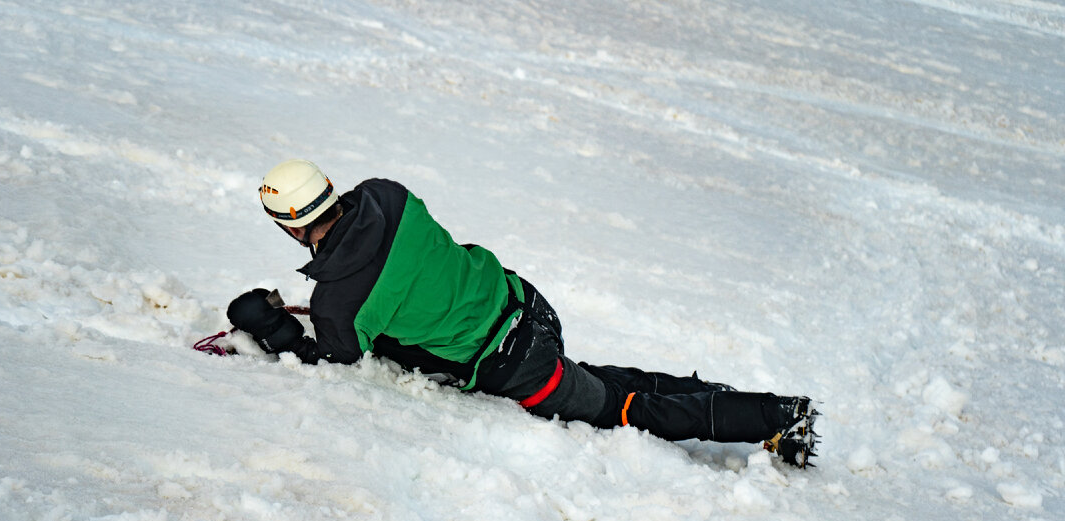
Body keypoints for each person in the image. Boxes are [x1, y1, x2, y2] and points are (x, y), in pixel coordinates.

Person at [224, 159, 817, 466]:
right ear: (329, 184)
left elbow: (333, 360)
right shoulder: (386, 194)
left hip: (514, 365)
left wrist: (268, 324)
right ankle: (732, 400)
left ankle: (774, 418)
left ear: (286, 223)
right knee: (607, 382)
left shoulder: (338, 303)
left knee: (624, 408)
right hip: (524, 303)